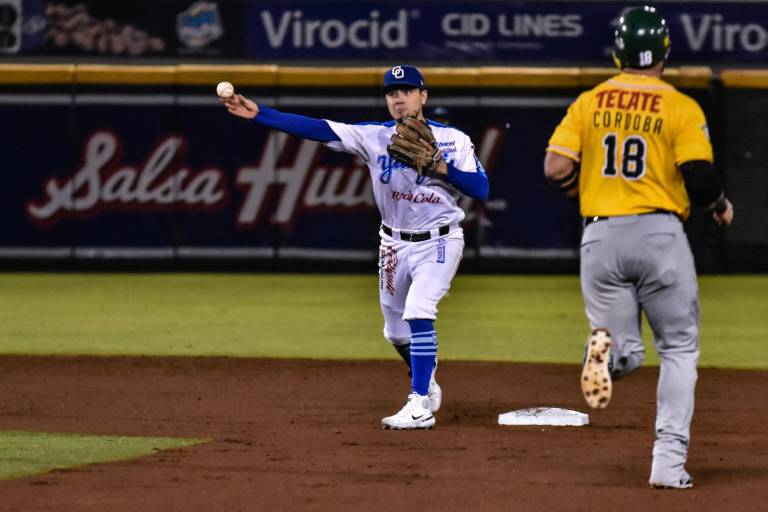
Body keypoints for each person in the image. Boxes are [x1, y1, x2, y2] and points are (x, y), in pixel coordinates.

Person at [221, 65, 489, 430]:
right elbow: (317, 128)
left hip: (440, 240)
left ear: (423, 96)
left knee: (419, 309)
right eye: (392, 92)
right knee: (395, 332)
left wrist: (442, 168)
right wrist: (259, 114)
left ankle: (420, 402)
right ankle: (424, 376)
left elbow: (481, 190)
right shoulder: (373, 136)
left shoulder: (454, 140)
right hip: (393, 243)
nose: (399, 98)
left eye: (407, 91)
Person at [543, 5, 733, 489]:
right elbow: (699, 175)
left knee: (626, 352)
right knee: (679, 348)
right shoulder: (680, 105)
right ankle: (667, 465)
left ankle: (607, 356)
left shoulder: (590, 102)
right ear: (665, 51)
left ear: (616, 53)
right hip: (659, 234)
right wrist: (718, 205)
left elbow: (555, 167)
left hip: (601, 235)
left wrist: (585, 196)